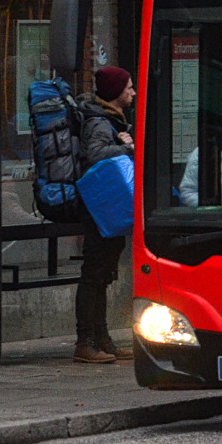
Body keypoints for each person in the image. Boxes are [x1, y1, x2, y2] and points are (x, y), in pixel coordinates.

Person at [74, 66, 136, 364]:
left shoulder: (109, 119)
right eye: (128, 88)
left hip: (107, 207)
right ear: (115, 93)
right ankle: (85, 341)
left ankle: (102, 340)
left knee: (102, 276)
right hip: (99, 209)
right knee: (94, 275)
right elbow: (95, 155)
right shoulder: (99, 122)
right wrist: (125, 147)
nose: (133, 93)